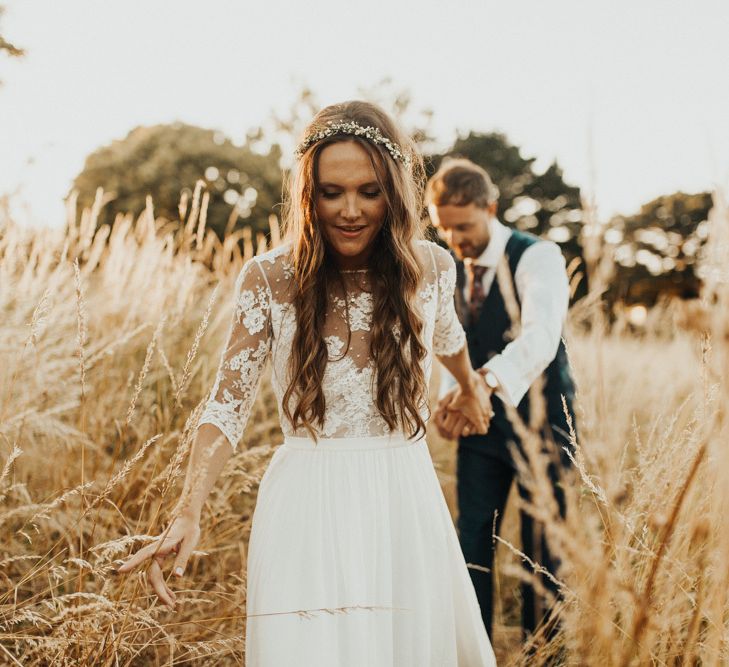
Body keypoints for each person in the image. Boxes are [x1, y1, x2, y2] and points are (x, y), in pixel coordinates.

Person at [118, 102, 497, 666]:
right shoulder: (269, 278)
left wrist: (470, 388)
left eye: (369, 191)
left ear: (394, 191)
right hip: (307, 505)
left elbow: (449, 341)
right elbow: (227, 405)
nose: (349, 210)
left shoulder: (433, 269)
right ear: (307, 194)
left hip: (404, 501)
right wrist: (189, 509)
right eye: (331, 192)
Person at [427, 158, 577, 642]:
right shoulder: (447, 267)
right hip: (481, 429)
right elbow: (451, 342)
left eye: (464, 227)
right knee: (471, 541)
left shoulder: (538, 256)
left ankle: (544, 655)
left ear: (491, 208)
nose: (456, 241)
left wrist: (481, 386)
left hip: (545, 425)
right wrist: (451, 402)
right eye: (444, 230)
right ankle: (473, 652)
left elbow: (542, 336)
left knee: (543, 551)